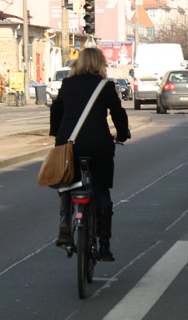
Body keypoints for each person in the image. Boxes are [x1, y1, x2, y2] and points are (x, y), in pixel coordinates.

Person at [49, 47, 130, 261]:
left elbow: (56, 110)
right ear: (100, 64)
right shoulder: (106, 86)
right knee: (101, 190)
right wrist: (122, 134)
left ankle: (66, 224)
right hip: (98, 144)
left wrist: (56, 134)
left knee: (67, 183)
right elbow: (118, 113)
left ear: (80, 63)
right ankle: (104, 245)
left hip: (70, 143)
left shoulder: (68, 84)